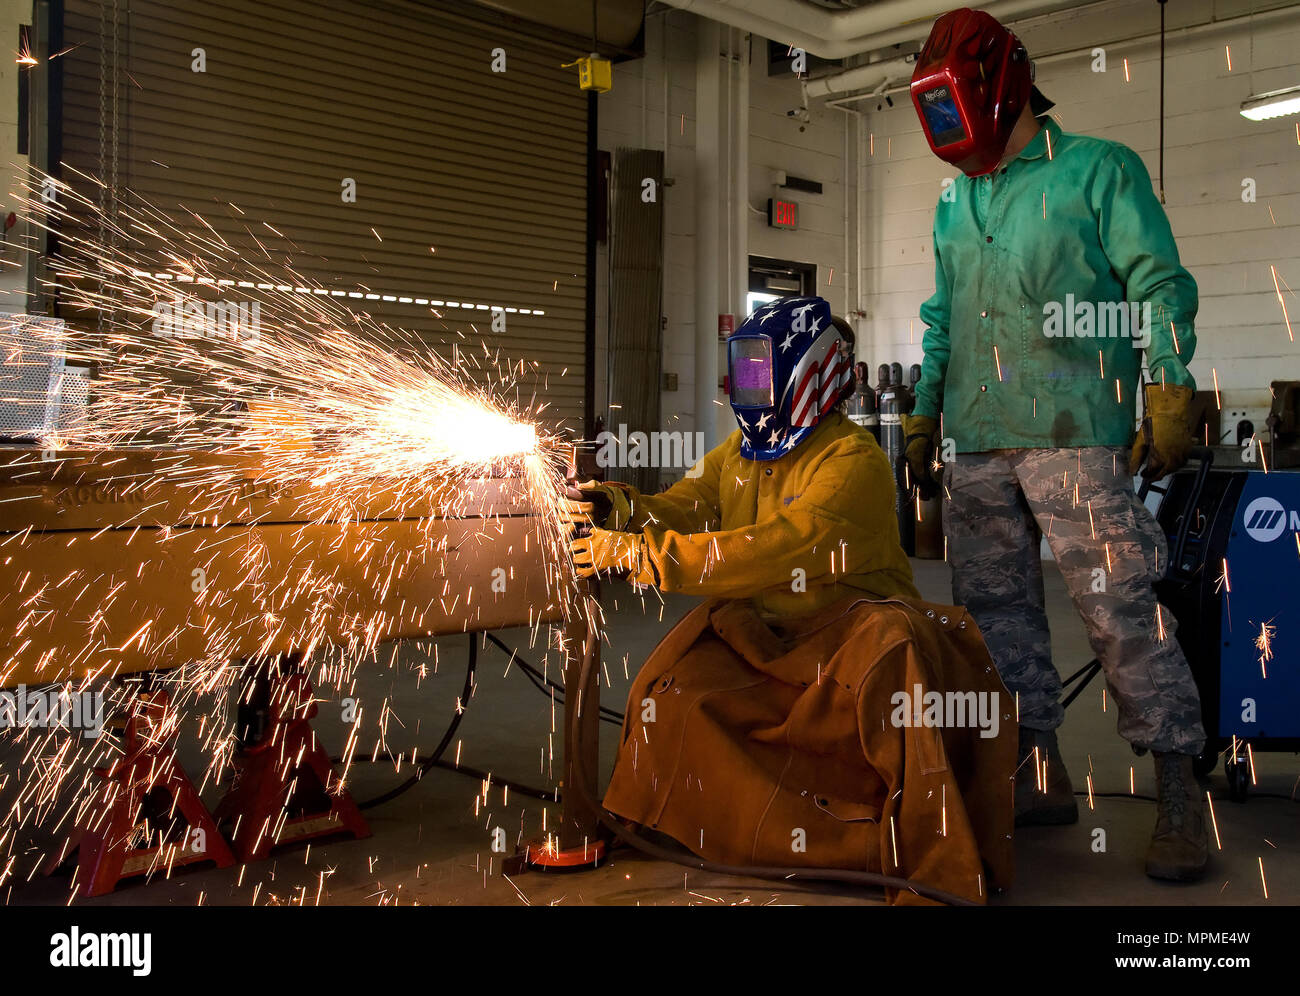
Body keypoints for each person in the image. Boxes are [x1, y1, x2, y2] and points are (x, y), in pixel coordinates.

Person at [567, 295, 1015, 905]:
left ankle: (930, 854)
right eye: (745, 372)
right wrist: (620, 508)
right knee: (675, 680)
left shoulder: (855, 462)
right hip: (772, 636)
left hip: (853, 634)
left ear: (810, 373)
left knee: (893, 651)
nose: (750, 386)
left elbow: (776, 547)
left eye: (762, 371)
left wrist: (648, 557)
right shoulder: (741, 452)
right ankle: (670, 817)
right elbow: (690, 504)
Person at [900, 7, 1207, 881]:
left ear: (1000, 94)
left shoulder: (1099, 171)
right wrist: (926, 410)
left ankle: (1179, 790)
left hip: (1075, 437)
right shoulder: (955, 199)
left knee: (1122, 617)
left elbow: (1159, 284)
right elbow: (941, 319)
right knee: (997, 625)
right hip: (979, 439)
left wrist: (1168, 383)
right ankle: (1039, 777)